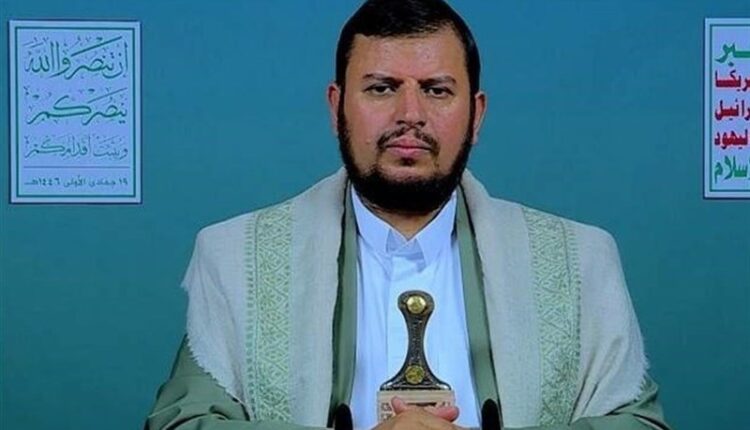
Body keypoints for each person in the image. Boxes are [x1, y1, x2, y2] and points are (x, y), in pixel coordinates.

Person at [146, 1, 670, 429]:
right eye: (382, 88)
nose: (410, 115)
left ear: (477, 114)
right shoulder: (237, 256)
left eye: (437, 90)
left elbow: (636, 424)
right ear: (336, 108)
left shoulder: (579, 260)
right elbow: (185, 422)